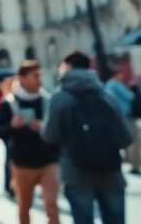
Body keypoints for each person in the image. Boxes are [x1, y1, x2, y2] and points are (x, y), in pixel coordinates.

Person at [42, 51, 134, 224]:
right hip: (110, 170)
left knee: (83, 219)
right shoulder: (107, 96)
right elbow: (126, 137)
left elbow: (49, 136)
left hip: (75, 171)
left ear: (67, 67)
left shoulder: (59, 98)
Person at [0, 60, 60, 224]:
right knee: (24, 207)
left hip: (48, 160)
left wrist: (45, 127)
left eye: (40, 75)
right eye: (35, 76)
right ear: (22, 78)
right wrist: (12, 126)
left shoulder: (47, 100)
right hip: (23, 163)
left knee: (52, 205)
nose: (39, 80)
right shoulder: (9, 102)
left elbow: (59, 128)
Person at [104, 67, 139, 175]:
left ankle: (131, 162)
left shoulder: (107, 86)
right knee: (133, 140)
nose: (122, 76)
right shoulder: (115, 84)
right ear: (116, 74)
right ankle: (134, 164)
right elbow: (130, 96)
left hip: (118, 115)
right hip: (126, 115)